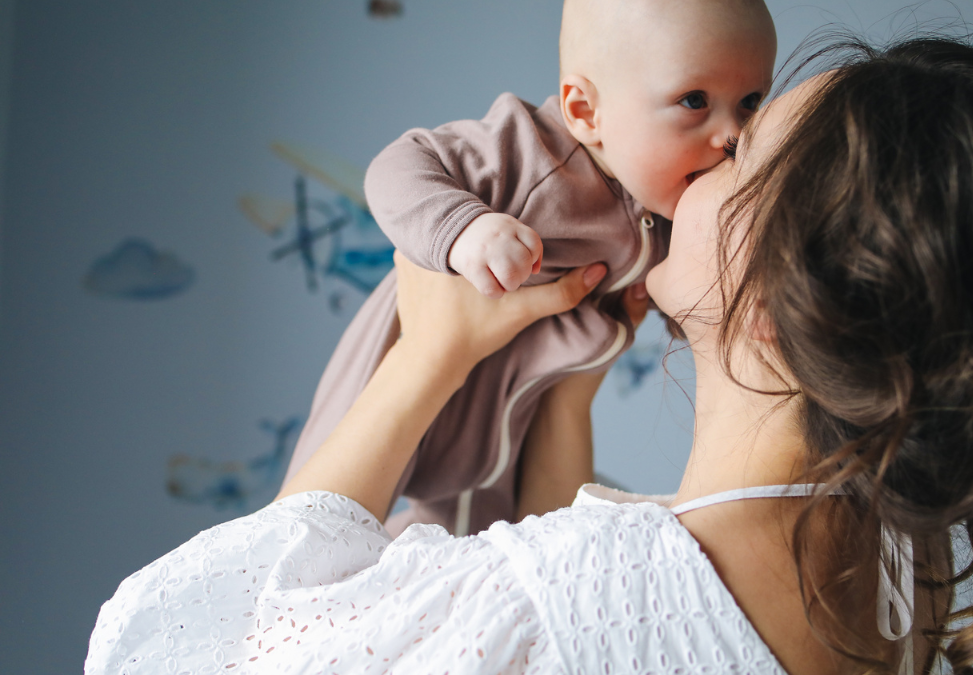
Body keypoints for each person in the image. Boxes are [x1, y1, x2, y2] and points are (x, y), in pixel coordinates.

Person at [86, 35, 973, 674]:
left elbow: (189, 648)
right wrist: (568, 393)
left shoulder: (568, 604)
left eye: (742, 144)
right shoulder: (897, 567)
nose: (698, 158)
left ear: (770, 308)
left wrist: (422, 360)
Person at [281, 0, 777, 537]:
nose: (732, 135)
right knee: (317, 527)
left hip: (510, 417)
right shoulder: (532, 152)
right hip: (404, 364)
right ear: (586, 112)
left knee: (474, 538)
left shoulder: (670, 209)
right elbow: (399, 165)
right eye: (694, 100)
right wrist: (464, 227)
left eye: (750, 103)